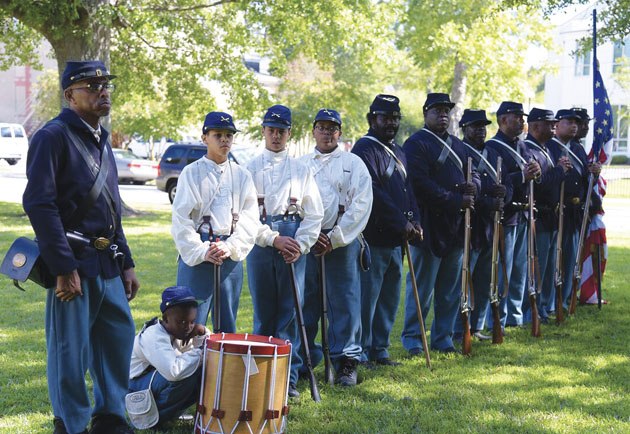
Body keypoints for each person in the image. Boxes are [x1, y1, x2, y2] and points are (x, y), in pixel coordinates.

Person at [22, 60, 138, 434]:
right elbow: (39, 204)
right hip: (72, 263)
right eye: (91, 86)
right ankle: (70, 423)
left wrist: (127, 262)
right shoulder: (51, 136)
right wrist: (62, 266)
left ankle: (109, 416)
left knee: (117, 342)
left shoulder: (101, 137)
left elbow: (111, 207)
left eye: (105, 84)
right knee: (70, 351)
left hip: (107, 262)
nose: (102, 91)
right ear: (70, 95)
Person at [246, 105, 324, 398]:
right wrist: (270, 239)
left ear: (289, 133)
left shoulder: (301, 170)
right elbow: (245, 214)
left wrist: (300, 245)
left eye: (282, 131)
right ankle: (261, 374)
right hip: (261, 239)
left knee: (291, 311)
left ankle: (287, 376)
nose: (276, 136)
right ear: (263, 131)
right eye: (271, 130)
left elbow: (314, 213)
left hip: (293, 237)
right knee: (264, 312)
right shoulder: (249, 169)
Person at [401, 93, 480, 354]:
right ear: (426, 113)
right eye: (437, 110)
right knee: (421, 291)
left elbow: (474, 174)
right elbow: (420, 185)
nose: (443, 115)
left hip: (455, 226)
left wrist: (473, 186)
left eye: (446, 110)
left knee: (449, 290)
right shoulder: (416, 143)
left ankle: (442, 338)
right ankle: (414, 339)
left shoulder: (458, 145)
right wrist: (457, 199)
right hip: (428, 225)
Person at [300, 109, 373, 386]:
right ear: (313, 131)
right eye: (322, 127)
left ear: (340, 133)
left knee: (345, 302)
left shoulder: (354, 163)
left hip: (341, 241)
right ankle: (306, 358)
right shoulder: (301, 164)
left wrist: (335, 238)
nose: (327, 132)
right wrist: (311, 235)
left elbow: (361, 205)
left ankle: (346, 361)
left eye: (333, 128)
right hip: (309, 240)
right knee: (307, 301)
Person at [352, 94, 422, 365]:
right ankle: (362, 350)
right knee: (368, 299)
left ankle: (380, 349)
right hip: (375, 236)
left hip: (398, 237)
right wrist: (400, 221)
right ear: (372, 119)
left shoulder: (400, 150)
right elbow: (375, 193)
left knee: (390, 297)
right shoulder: (364, 149)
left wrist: (415, 220)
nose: (391, 122)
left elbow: (409, 191)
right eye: (385, 117)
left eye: (395, 117)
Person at [172, 111, 258, 332]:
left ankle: (224, 367)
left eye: (228, 135)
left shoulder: (242, 175)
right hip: (199, 250)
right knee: (189, 321)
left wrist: (230, 246)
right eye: (217, 134)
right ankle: (190, 367)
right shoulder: (191, 173)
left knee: (227, 323)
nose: (224, 140)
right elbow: (181, 220)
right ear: (204, 138)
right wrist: (202, 251)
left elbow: (250, 219)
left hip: (230, 250)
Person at [455, 109, 510, 340]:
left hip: (490, 226)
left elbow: (506, 185)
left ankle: (476, 327)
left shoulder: (494, 152)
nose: (480, 130)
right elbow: (464, 189)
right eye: (474, 126)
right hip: (470, 225)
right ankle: (460, 329)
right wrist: (490, 201)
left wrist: (504, 195)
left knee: (485, 279)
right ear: (464, 129)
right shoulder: (459, 151)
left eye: (483, 126)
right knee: (465, 280)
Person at [486, 101, 540, 330]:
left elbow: (533, 174)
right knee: (503, 271)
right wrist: (522, 176)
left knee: (519, 270)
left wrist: (536, 173)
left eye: (522, 117)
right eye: (516, 116)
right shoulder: (493, 147)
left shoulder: (524, 146)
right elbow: (496, 181)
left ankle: (514, 317)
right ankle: (497, 316)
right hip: (506, 216)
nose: (521, 121)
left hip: (524, 215)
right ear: (502, 120)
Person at [128, 286, 210, 429]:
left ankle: (172, 414)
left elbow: (194, 357)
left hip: (151, 383)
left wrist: (202, 335)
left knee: (200, 368)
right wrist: (202, 351)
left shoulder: (178, 332)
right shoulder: (154, 336)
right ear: (165, 319)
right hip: (135, 388)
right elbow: (174, 371)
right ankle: (150, 421)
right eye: (182, 322)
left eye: (192, 321)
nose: (188, 327)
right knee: (186, 375)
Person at [522, 108, 571, 322]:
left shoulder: (545, 149)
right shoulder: (528, 150)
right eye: (549, 123)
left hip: (551, 216)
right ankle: (532, 309)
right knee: (537, 268)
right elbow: (540, 185)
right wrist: (560, 171)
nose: (554, 126)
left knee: (550, 266)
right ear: (534, 126)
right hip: (538, 217)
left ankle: (544, 307)